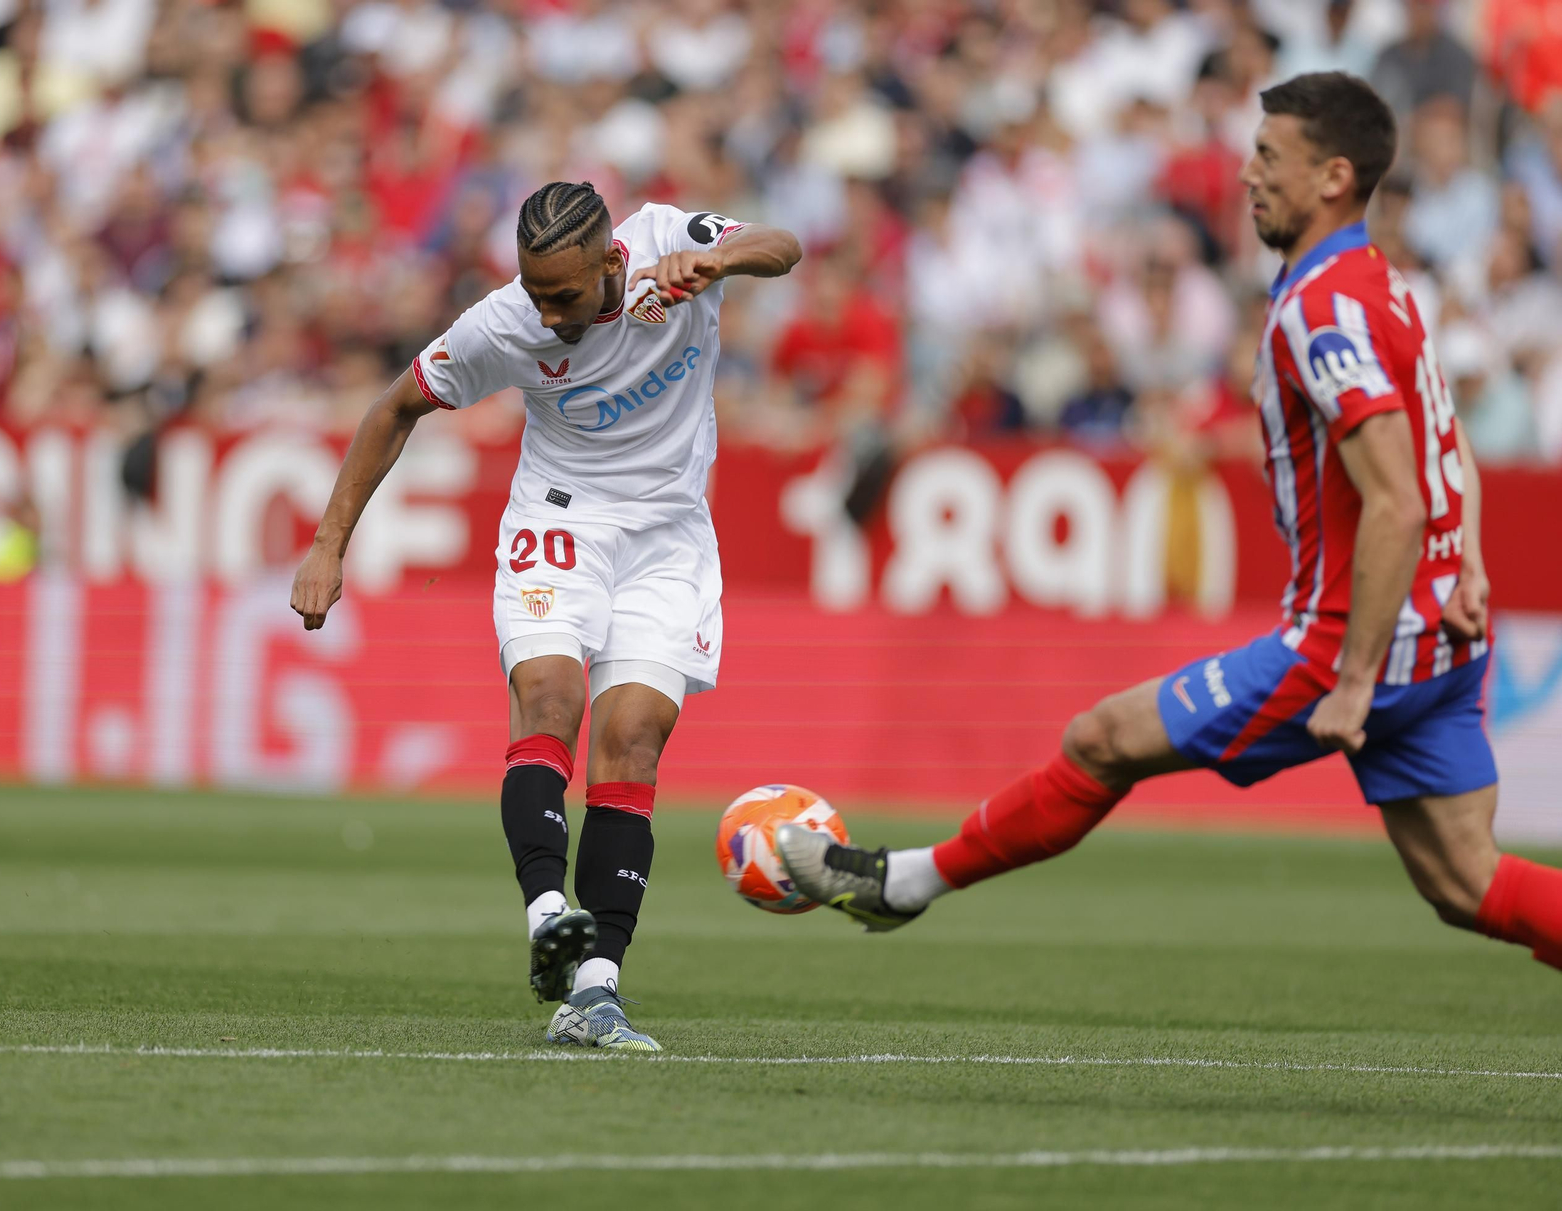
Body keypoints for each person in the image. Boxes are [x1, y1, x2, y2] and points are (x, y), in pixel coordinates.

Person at [778, 73, 1562, 977]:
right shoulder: (1381, 285)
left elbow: (1395, 495)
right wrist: (1466, 561)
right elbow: (1443, 438)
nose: (1246, 173)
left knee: (1101, 739)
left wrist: (1351, 682)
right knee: (1467, 883)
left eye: (1271, 156)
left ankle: (903, 884)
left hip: (1354, 641)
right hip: (1441, 635)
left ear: (1334, 177)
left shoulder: (1321, 308)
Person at [292, 182, 800, 1050]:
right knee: (552, 701)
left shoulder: (669, 241)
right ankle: (547, 914)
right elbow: (395, 408)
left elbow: (783, 245)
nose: (547, 312)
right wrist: (330, 542)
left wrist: (712, 259)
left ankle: (596, 989)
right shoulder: (504, 324)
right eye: (533, 290)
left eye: (562, 294)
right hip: (560, 518)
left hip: (670, 537)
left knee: (633, 737)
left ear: (612, 262)